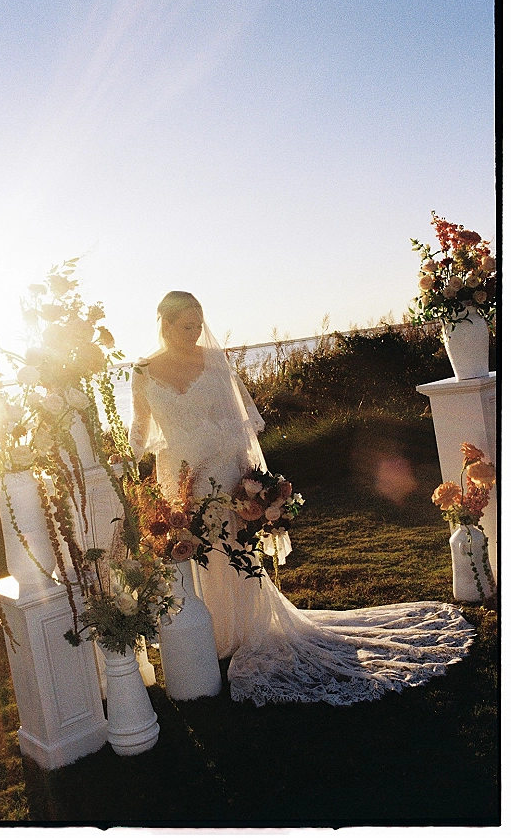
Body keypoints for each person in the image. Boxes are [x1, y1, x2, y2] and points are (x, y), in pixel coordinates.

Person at [129, 291, 474, 707]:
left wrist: (252, 485)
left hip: (222, 472)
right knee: (193, 553)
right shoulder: (143, 371)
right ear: (164, 324)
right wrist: (122, 463)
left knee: (232, 552)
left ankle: (243, 630)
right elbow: (140, 429)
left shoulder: (214, 361)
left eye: (200, 323)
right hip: (178, 476)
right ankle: (206, 634)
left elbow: (240, 425)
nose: (196, 332)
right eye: (187, 326)